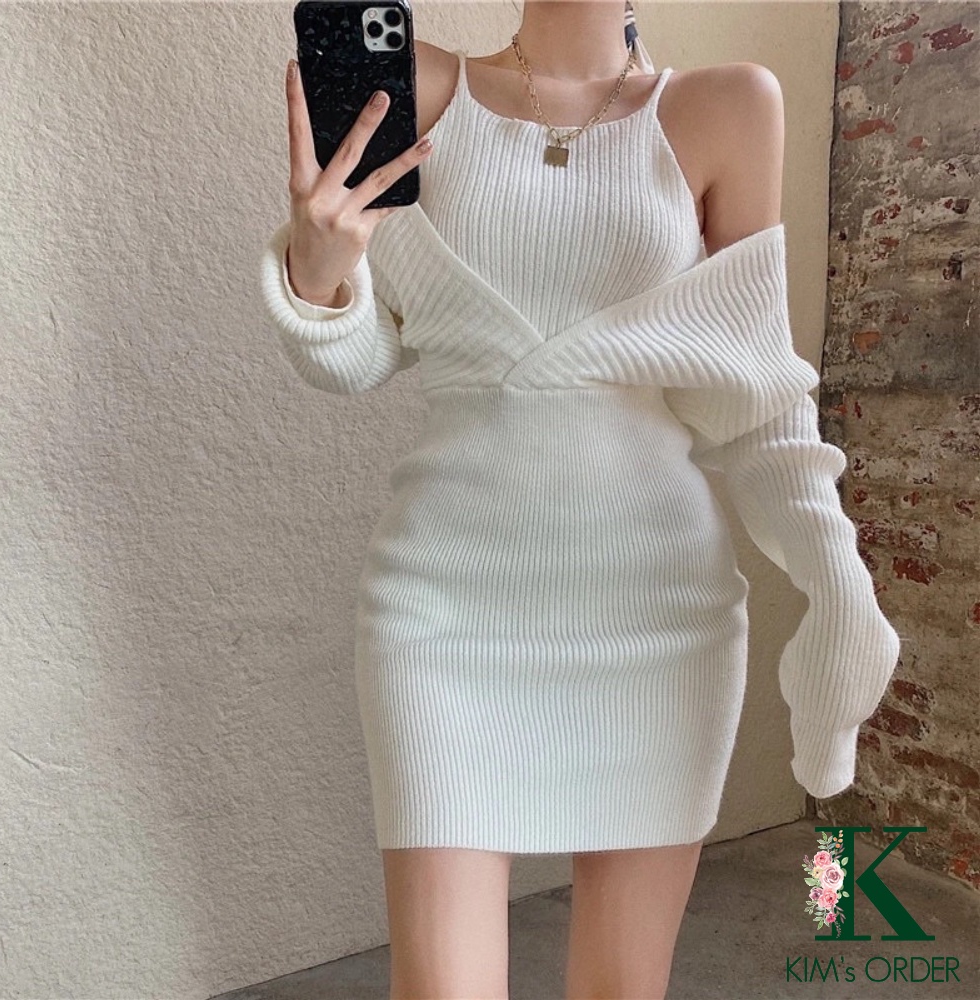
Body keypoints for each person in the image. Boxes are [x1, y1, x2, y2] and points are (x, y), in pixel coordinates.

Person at [260, 2, 902, 997]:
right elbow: (355, 361)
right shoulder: (409, 86)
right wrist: (318, 276)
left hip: (657, 615)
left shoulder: (728, 107)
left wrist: (837, 579)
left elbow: (754, 398)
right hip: (443, 615)